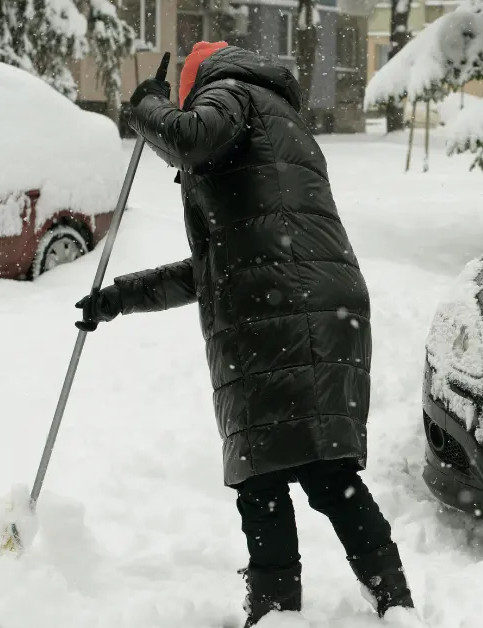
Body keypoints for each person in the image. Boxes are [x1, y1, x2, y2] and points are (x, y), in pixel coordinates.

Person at [74, 41, 416, 627]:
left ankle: (278, 613)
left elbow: (189, 136)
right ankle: (394, 603)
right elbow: (215, 270)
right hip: (309, 301)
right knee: (324, 471)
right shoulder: (271, 116)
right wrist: (118, 298)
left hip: (280, 306)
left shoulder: (230, 93)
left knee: (264, 477)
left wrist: (146, 108)